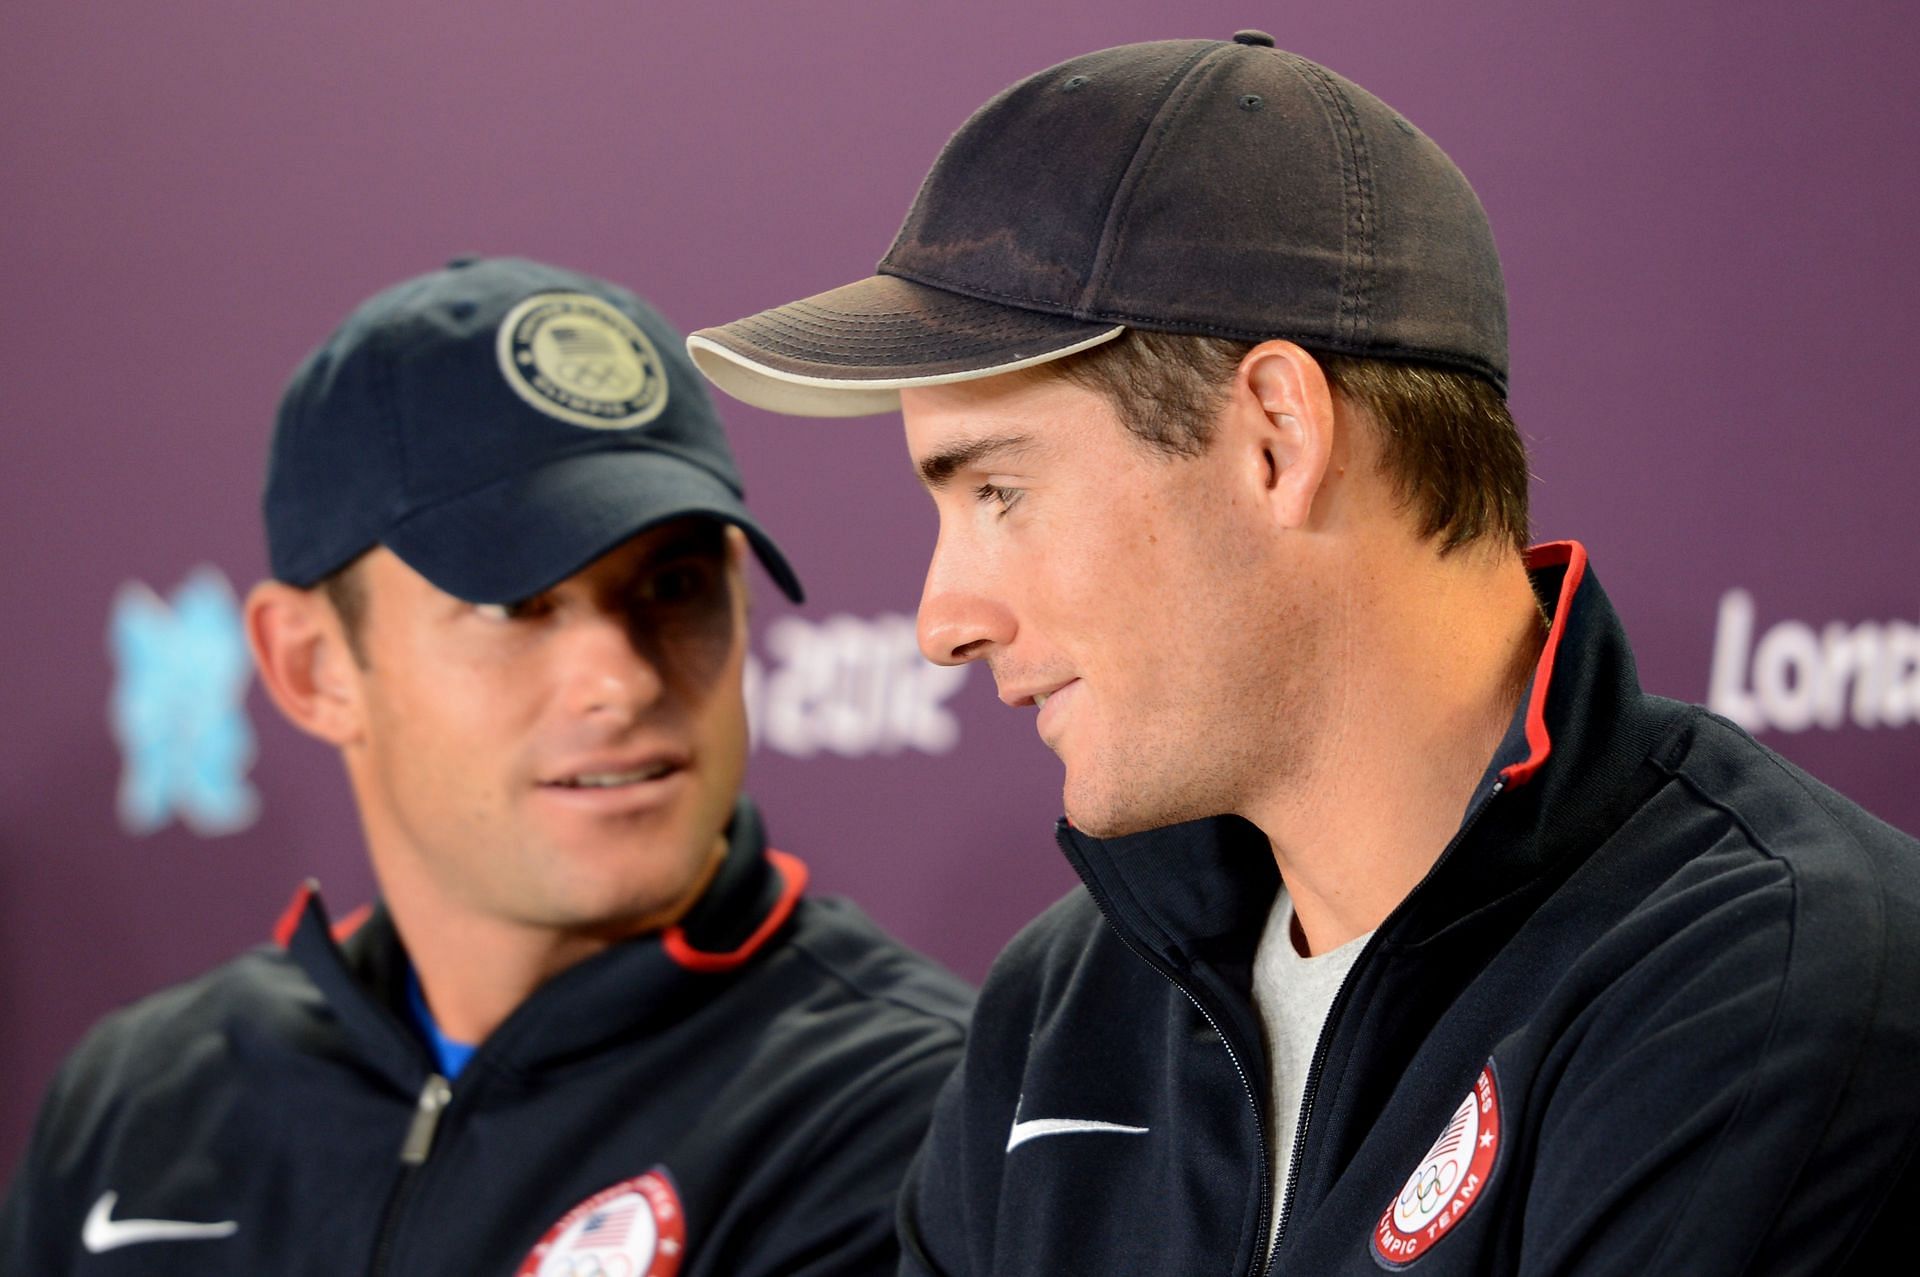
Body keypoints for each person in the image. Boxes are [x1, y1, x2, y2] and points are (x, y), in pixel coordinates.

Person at [686, 33, 1920, 1277]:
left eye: (1001, 489)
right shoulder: (1059, 1011)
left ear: (1276, 436)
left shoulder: (1772, 974)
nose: (942, 619)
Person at [0, 256, 972, 1277]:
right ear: (312, 665)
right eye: (514, 602)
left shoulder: (910, 1109)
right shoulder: (133, 1102)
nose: (623, 679)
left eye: (676, 584)